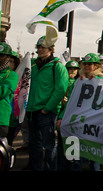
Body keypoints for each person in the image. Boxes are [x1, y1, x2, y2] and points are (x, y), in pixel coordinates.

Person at [27, 36, 69, 171]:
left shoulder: (58, 67)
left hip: (47, 112)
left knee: (49, 144)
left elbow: (60, 89)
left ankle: (49, 169)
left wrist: (47, 108)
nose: (40, 50)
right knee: (34, 144)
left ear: (51, 49)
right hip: (32, 110)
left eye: (43, 47)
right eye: (38, 47)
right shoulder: (33, 66)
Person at [56, 60, 80, 171]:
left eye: (74, 69)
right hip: (62, 113)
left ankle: (69, 165)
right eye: (70, 69)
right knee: (62, 145)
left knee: (71, 145)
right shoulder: (63, 81)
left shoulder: (78, 82)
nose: (72, 71)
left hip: (72, 117)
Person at [0, 43, 19, 142]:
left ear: (8, 57)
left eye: (1, 56)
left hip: (1, 119)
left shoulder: (12, 76)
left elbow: (2, 92)